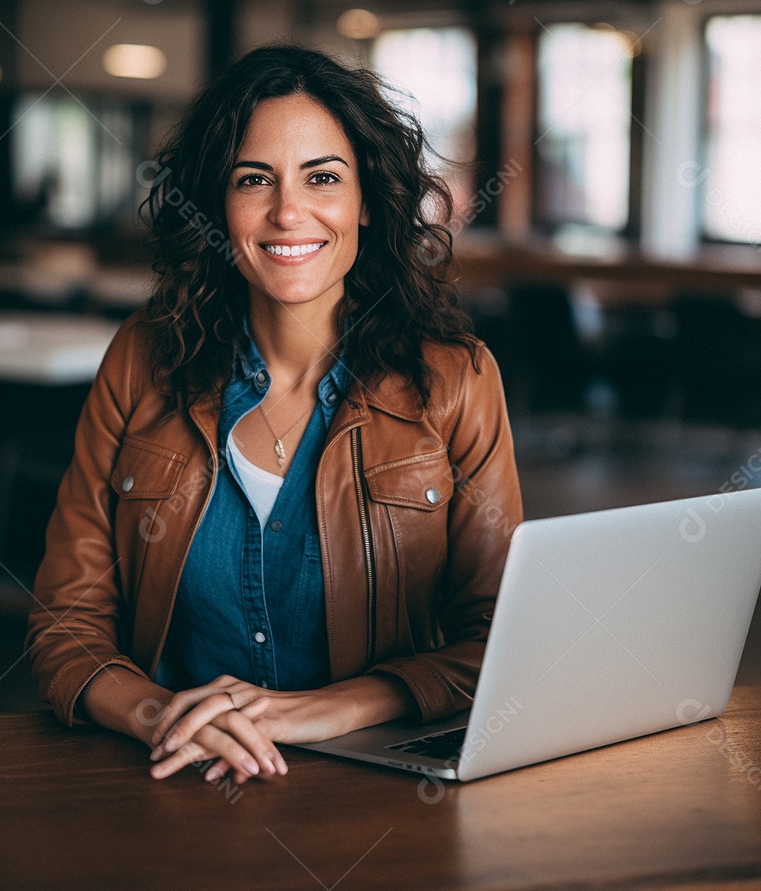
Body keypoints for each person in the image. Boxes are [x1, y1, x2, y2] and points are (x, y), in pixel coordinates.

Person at [26, 44, 523, 788]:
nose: (288, 212)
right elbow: (66, 624)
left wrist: (322, 709)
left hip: (373, 793)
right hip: (165, 781)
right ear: (215, 205)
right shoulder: (139, 360)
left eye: (322, 177)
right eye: (253, 180)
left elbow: (502, 639)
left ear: (367, 199)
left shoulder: (458, 379)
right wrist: (162, 714)